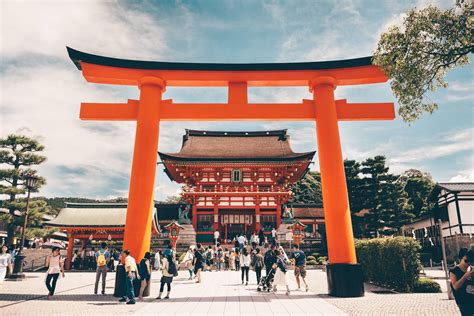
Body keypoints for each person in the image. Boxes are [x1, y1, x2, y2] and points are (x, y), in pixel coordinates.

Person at [450, 248, 474, 315]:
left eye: (470, 260)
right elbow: (455, 286)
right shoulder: (454, 270)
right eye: (466, 260)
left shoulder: (471, 269)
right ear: (460, 258)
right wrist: (465, 276)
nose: (468, 263)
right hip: (463, 301)